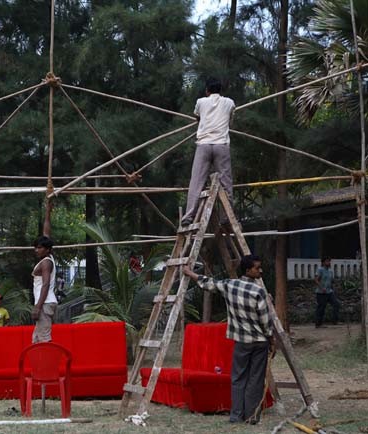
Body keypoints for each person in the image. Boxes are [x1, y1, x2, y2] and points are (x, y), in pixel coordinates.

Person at [183, 255, 273, 425]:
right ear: (248, 270)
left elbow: (207, 283)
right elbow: (266, 321)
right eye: (257, 268)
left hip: (241, 341)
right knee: (255, 379)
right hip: (259, 342)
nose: (260, 270)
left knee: (238, 378)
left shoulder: (230, 285)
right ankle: (251, 417)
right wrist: (271, 338)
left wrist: (189, 273)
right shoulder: (258, 291)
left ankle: (236, 416)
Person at [181, 78, 236, 227]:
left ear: (207, 91)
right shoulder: (230, 103)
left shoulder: (200, 102)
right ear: (221, 90)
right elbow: (230, 121)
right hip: (221, 145)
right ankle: (227, 216)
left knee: (196, 182)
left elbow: (197, 117)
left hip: (203, 146)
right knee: (226, 182)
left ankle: (188, 216)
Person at [31, 236, 58, 343]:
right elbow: (46, 233)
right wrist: (47, 218)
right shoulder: (48, 258)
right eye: (36, 247)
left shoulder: (46, 262)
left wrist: (38, 307)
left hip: (44, 303)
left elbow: (45, 284)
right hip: (45, 303)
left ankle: (49, 360)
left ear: (48, 249)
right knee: (36, 339)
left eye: (39, 248)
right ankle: (41, 360)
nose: (36, 250)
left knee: (44, 339)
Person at [314, 256, 341, 328]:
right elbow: (316, 280)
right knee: (321, 308)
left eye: (329, 261)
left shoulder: (330, 271)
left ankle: (335, 320)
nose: (328, 263)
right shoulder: (320, 270)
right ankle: (318, 323)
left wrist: (333, 288)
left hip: (329, 292)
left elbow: (331, 281)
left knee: (336, 304)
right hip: (321, 292)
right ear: (323, 262)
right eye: (326, 261)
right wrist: (322, 288)